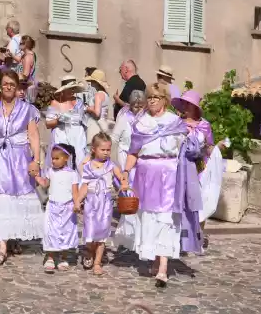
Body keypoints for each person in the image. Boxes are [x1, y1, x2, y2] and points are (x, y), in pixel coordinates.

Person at [121, 84, 203, 288]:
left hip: (168, 174)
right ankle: (156, 259)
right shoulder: (141, 122)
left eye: (157, 97)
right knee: (149, 217)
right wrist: (124, 174)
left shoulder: (174, 122)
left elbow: (189, 149)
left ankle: (163, 267)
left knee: (166, 219)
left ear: (165, 100)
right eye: (150, 97)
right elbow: (133, 151)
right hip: (145, 174)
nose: (152, 100)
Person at [0, 70, 44, 266]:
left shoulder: (27, 109)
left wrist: (36, 160)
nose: (8, 87)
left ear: (17, 87)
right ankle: (2, 245)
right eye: (5, 83)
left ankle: (12, 237)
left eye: (12, 84)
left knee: (16, 198)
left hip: (20, 157)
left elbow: (34, 136)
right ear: (0, 85)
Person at [171, 90, 225, 249]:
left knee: (199, 201)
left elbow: (209, 146)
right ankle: (178, 235)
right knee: (179, 199)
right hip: (178, 167)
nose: (186, 106)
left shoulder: (204, 125)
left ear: (195, 107)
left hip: (198, 169)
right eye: (185, 103)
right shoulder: (176, 122)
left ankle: (198, 235)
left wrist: (216, 149)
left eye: (189, 104)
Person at [78, 133, 125, 276]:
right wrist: (77, 200)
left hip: (105, 202)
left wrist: (124, 183)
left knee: (103, 233)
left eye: (108, 150)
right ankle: (89, 252)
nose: (106, 153)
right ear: (94, 149)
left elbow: (121, 176)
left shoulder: (111, 165)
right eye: (102, 150)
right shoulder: (88, 166)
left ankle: (97, 262)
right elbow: (85, 186)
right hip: (91, 202)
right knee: (90, 231)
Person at [35, 144, 80, 273]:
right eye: (52, 158)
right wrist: (37, 177)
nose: (53, 161)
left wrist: (77, 203)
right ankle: (50, 257)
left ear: (66, 158)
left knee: (65, 232)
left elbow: (75, 191)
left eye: (56, 158)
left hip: (67, 207)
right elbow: (45, 184)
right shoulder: (50, 171)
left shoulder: (72, 174)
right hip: (53, 206)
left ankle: (63, 257)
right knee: (51, 231)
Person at [111, 90, 146, 250]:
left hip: (141, 159)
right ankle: (128, 232)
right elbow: (114, 139)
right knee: (129, 193)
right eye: (135, 105)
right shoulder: (124, 118)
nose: (137, 108)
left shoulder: (146, 119)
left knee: (140, 194)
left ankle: (141, 231)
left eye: (140, 105)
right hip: (125, 156)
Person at [45, 79, 87, 170]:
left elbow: (83, 120)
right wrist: (59, 120)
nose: (72, 91)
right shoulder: (55, 103)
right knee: (62, 160)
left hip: (77, 136)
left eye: (73, 89)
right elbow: (48, 124)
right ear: (63, 90)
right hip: (61, 135)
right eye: (70, 89)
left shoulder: (79, 102)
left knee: (79, 160)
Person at [84, 69, 111, 145]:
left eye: (92, 81)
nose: (91, 83)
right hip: (103, 124)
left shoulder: (98, 95)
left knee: (93, 149)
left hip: (95, 126)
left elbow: (97, 112)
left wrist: (87, 108)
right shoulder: (105, 94)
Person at [15, 35, 37, 102]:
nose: (19, 44)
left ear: (26, 45)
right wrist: (11, 55)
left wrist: (14, 78)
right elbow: (19, 60)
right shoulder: (27, 55)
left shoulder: (27, 57)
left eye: (21, 43)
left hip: (24, 89)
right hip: (24, 87)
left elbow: (26, 74)